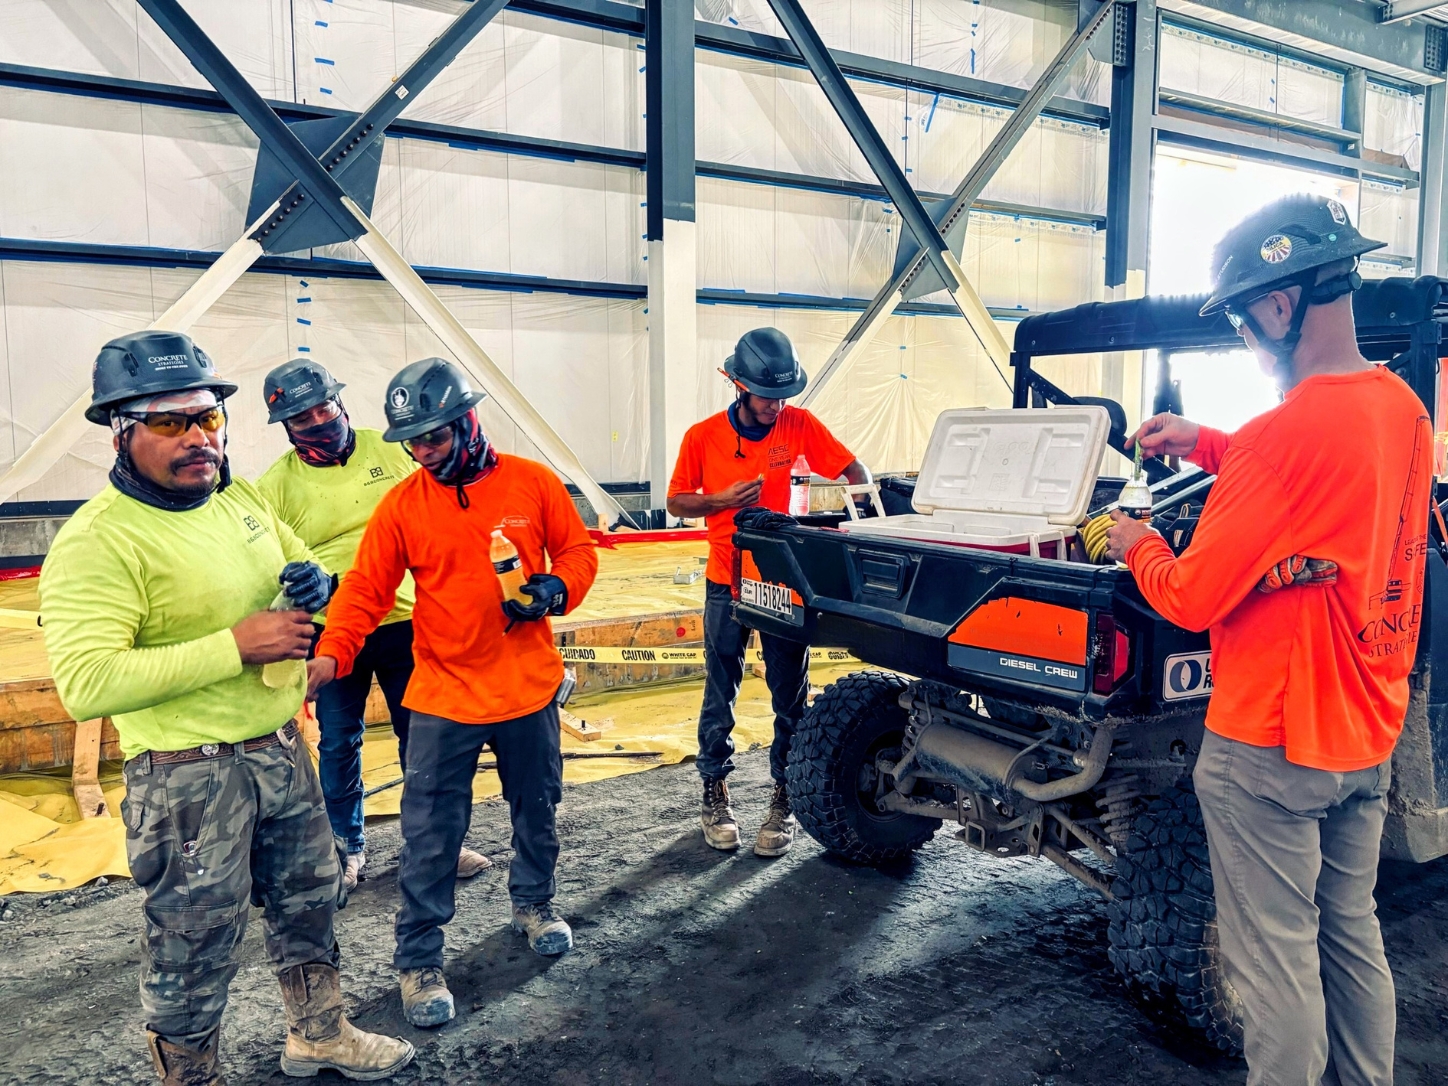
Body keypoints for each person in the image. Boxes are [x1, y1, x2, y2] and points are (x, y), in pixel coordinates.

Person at [1105, 194, 1433, 1085]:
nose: (1248, 340)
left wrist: (1136, 544)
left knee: (1276, 962)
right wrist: (1209, 442)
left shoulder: (1279, 439)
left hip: (1271, 749)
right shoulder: (1405, 409)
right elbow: (1324, 484)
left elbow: (1189, 597)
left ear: (1280, 306)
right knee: (1349, 933)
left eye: (1246, 320)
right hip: (1367, 730)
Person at [39, 331, 413, 1085]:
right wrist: (234, 646)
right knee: (194, 938)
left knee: (309, 902)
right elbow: (87, 682)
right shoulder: (98, 541)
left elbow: (284, 561)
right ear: (121, 430)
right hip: (187, 779)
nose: (198, 438)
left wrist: (306, 583)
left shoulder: (236, 497)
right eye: (171, 423)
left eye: (208, 419)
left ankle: (319, 1032)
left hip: (277, 748)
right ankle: (191, 1076)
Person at [307, 357, 599, 1029]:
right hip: (441, 696)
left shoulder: (532, 483)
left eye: (433, 438)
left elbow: (578, 551)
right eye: (412, 442)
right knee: (432, 835)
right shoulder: (405, 505)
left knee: (537, 813)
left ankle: (534, 905)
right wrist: (332, 654)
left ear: (468, 422)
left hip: (527, 691)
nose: (422, 453)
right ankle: (418, 961)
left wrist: (557, 589)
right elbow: (363, 593)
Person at [256, 357, 492, 890]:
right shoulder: (274, 489)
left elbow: (446, 508)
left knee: (425, 735)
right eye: (303, 418)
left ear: (340, 401)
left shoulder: (393, 449)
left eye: (324, 407)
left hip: (409, 619)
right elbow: (271, 566)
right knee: (339, 740)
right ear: (287, 428)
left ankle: (435, 843)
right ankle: (345, 847)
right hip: (332, 628)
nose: (319, 422)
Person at [667, 327, 871, 857]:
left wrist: (865, 510)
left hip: (781, 579)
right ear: (738, 384)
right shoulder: (702, 437)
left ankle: (786, 795)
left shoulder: (798, 424)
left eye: (783, 396)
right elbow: (676, 503)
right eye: (766, 396)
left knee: (790, 694)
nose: (776, 406)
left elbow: (852, 469)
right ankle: (715, 790)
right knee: (721, 690)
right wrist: (718, 500)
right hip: (726, 579)